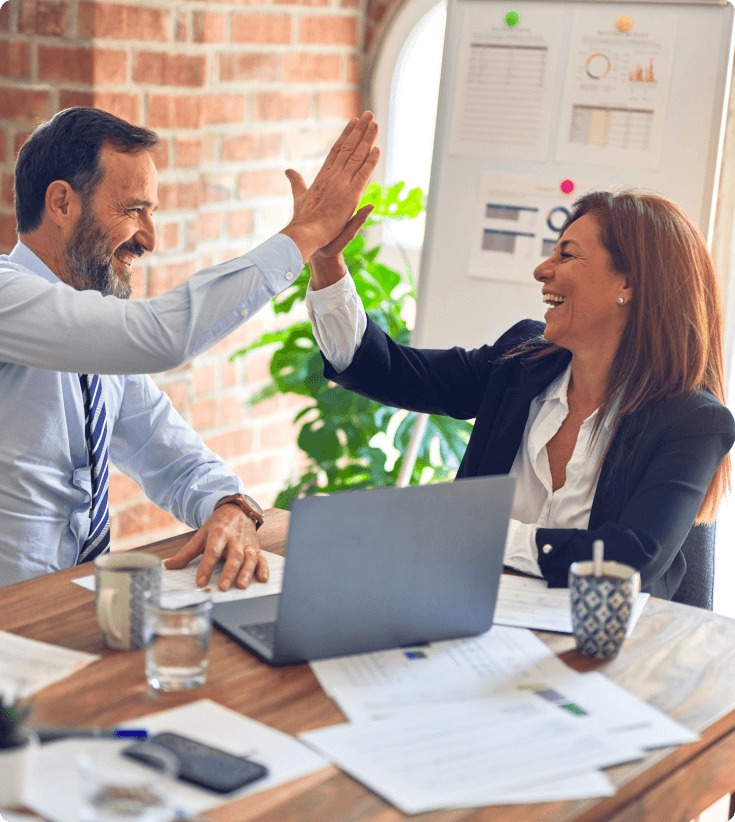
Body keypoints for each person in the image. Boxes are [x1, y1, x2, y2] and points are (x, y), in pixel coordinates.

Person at [0, 106, 379, 589]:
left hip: (74, 604)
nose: (149, 238)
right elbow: (161, 336)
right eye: (132, 209)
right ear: (61, 203)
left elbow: (170, 454)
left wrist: (229, 505)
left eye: (151, 212)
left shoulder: (96, 341)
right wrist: (302, 236)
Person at [301, 189, 735, 600]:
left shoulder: (692, 421)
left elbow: (628, 559)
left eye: (566, 254)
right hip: (471, 617)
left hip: (607, 653)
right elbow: (390, 371)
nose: (542, 270)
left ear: (629, 284)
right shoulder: (521, 361)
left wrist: (480, 533)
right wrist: (326, 262)